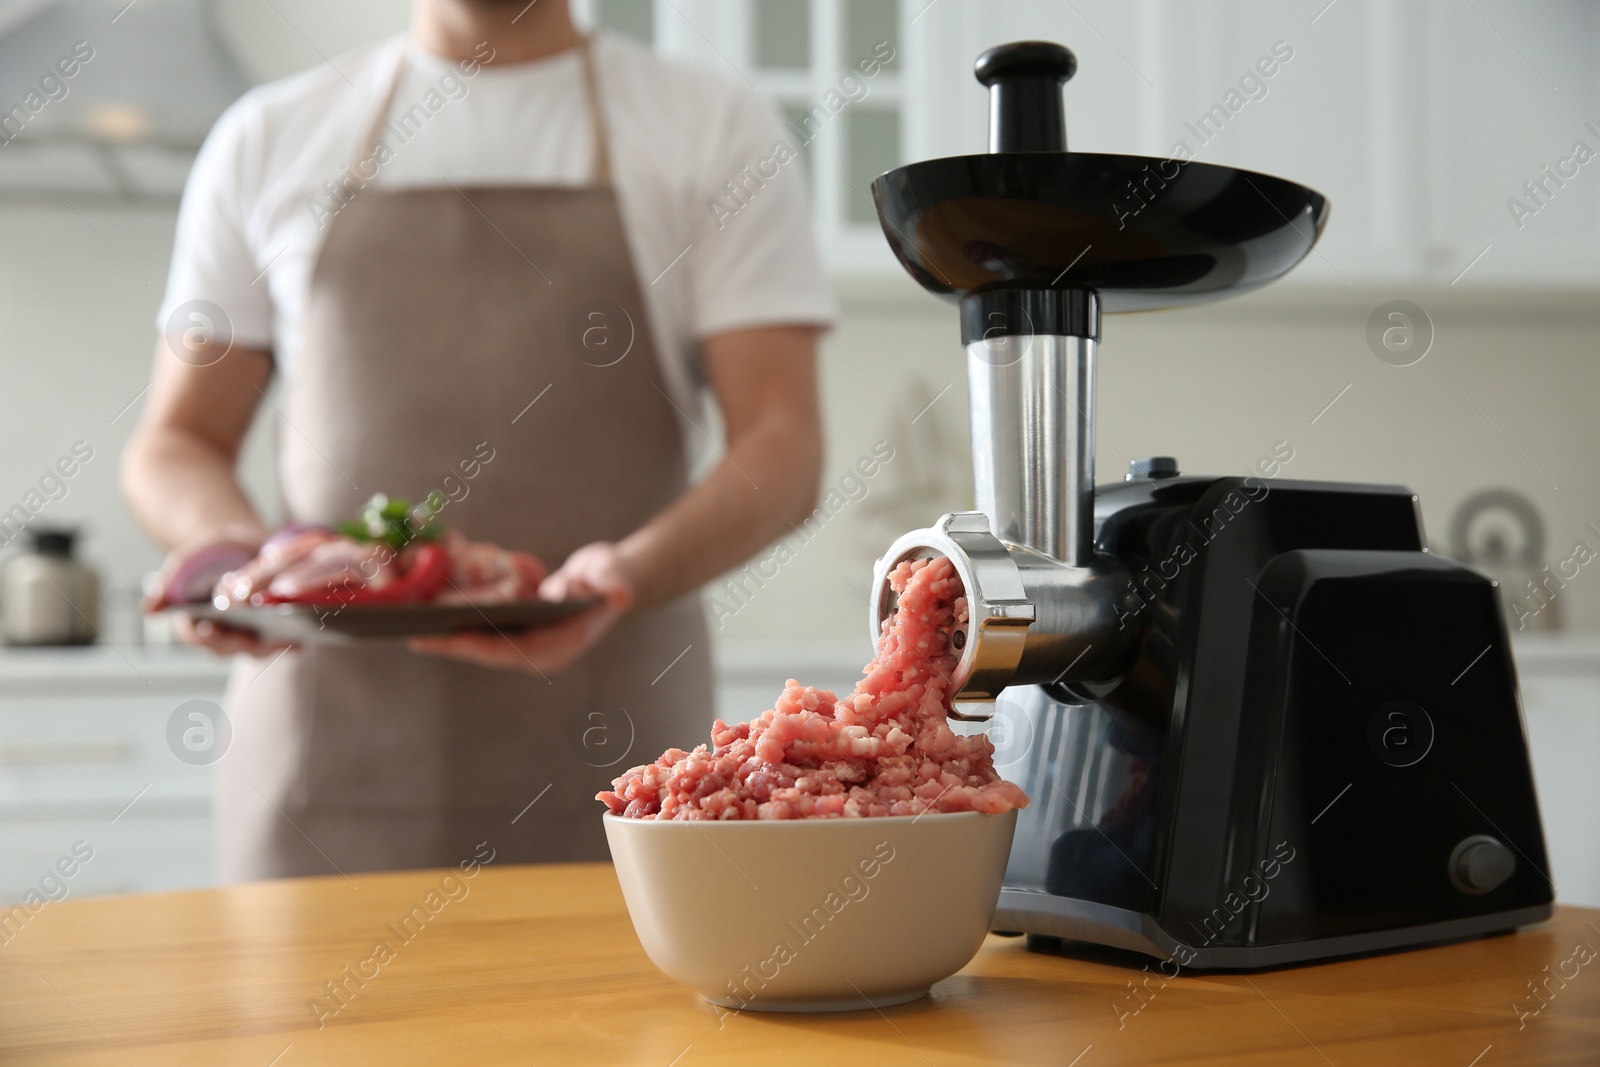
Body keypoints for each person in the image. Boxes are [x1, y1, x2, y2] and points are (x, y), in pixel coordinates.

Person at [121, 0, 830, 879]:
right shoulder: (267, 138)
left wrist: (626, 575)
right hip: (322, 774)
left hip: (617, 764)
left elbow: (783, 446)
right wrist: (239, 562)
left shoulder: (714, 129)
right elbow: (176, 441)